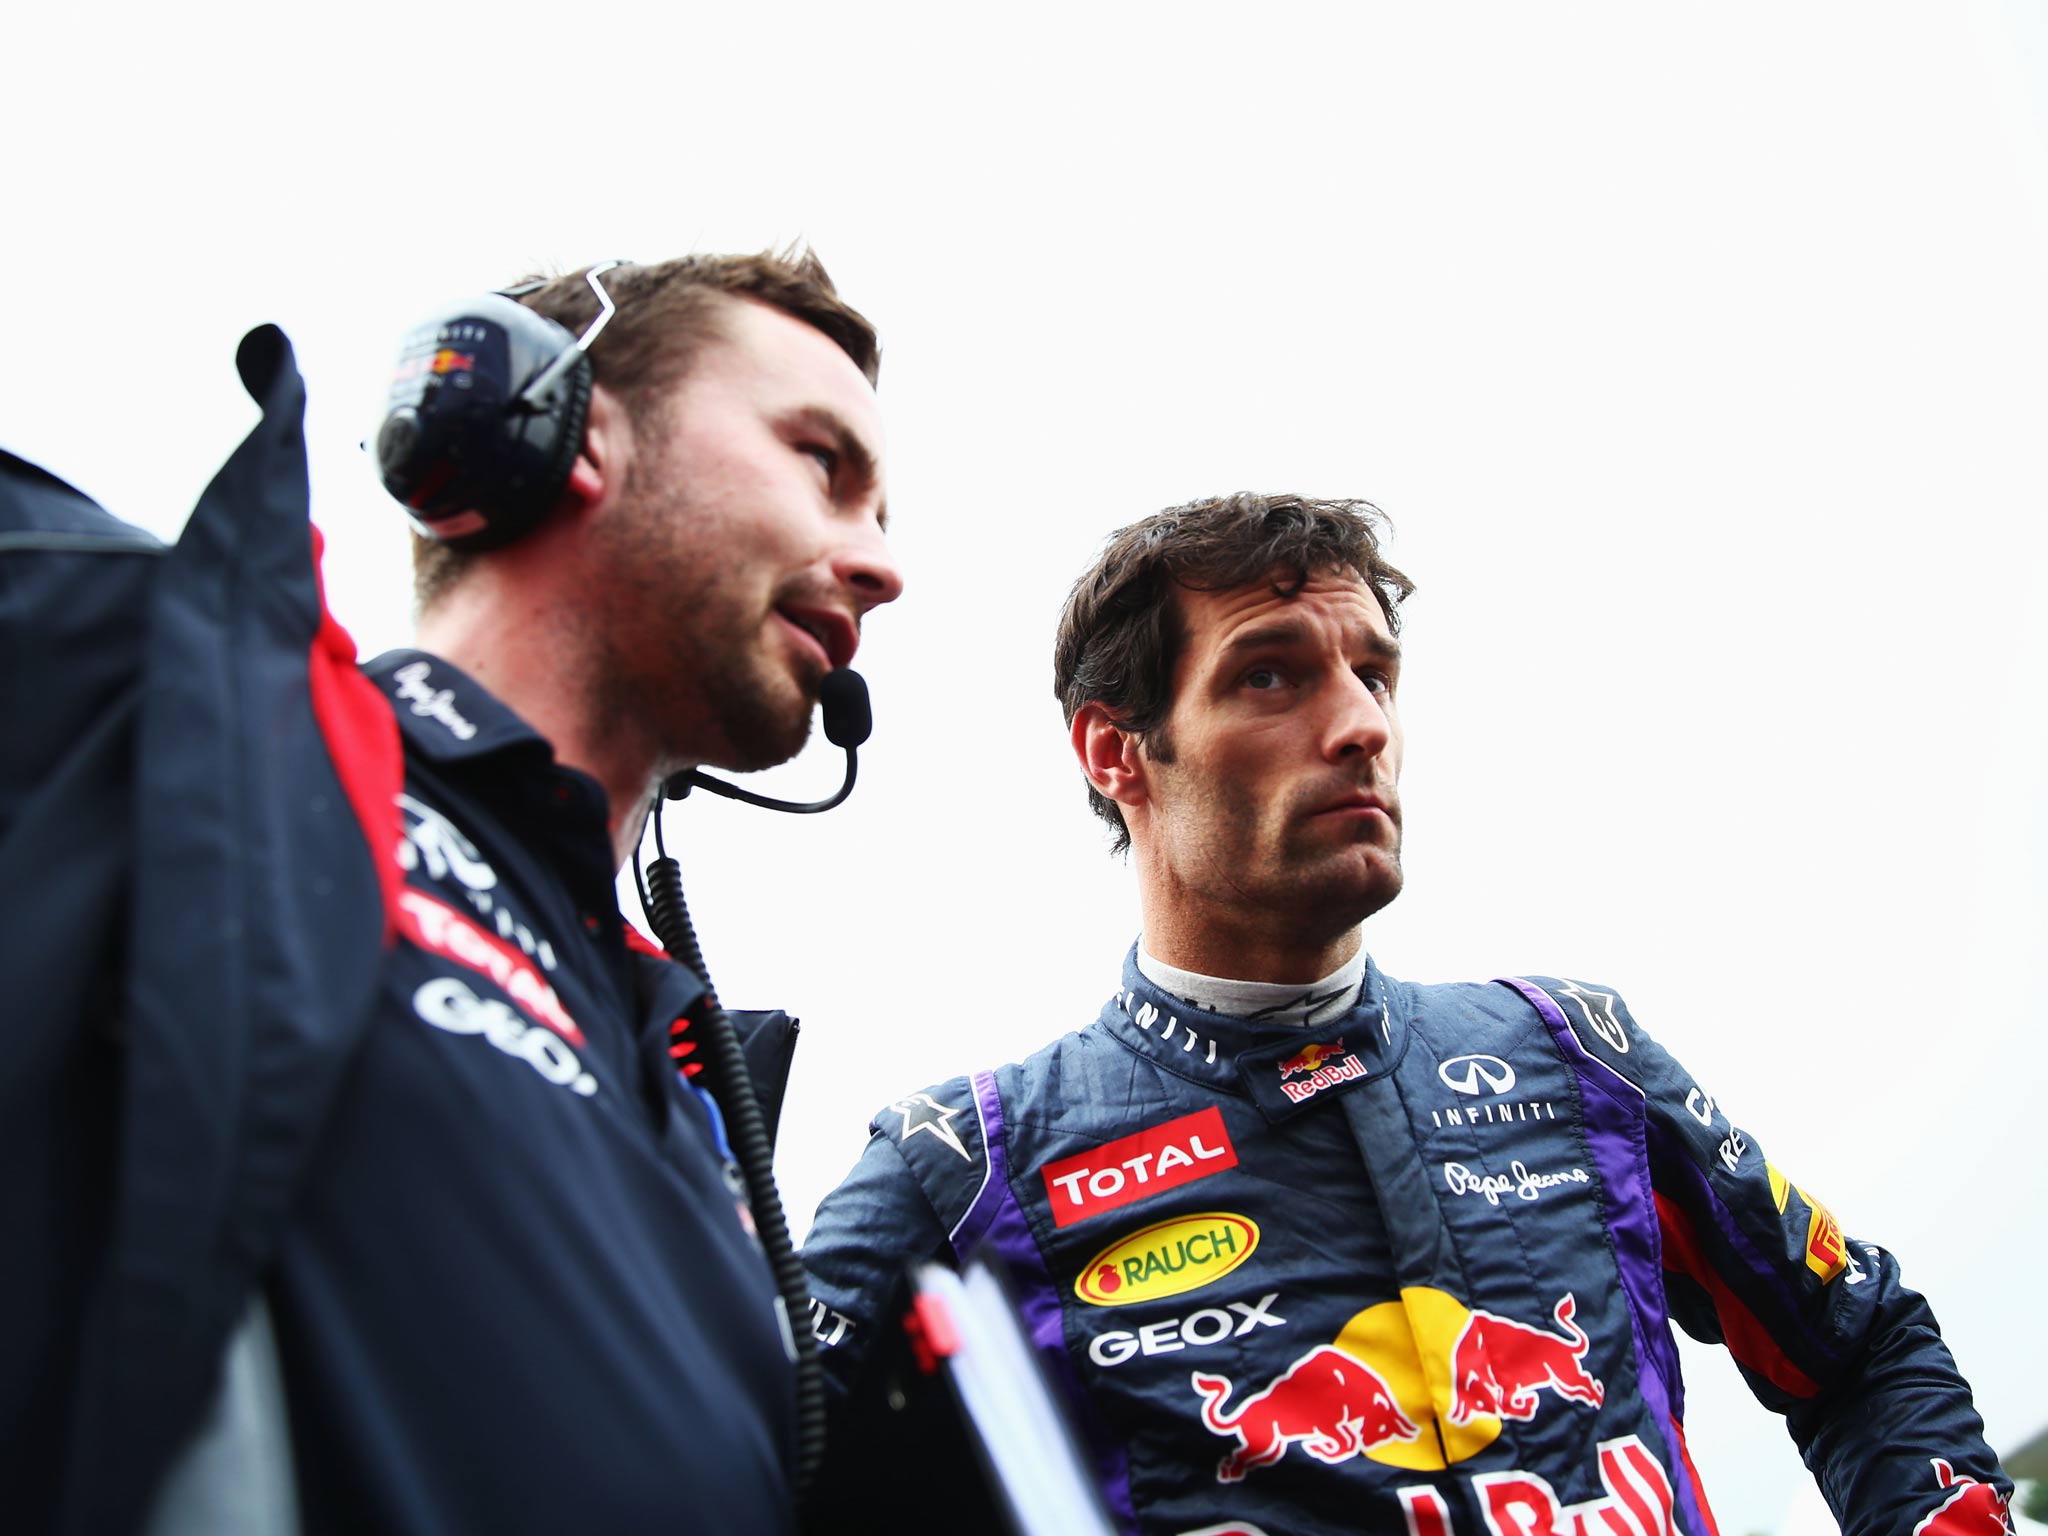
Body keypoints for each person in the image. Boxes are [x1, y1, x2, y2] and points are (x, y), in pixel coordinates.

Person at [800, 493, 2010, 1536]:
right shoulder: (960, 1164)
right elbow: (733, 1467)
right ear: (1114, 751)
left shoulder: (1572, 1047)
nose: (1361, 725)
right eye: (1269, 672)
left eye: (1372, 672)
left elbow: (1860, 1345)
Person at [2, 249, 901, 1534]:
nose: (878, 565)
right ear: (559, 430)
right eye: (824, 463)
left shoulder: (687, 1072)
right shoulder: (186, 728)